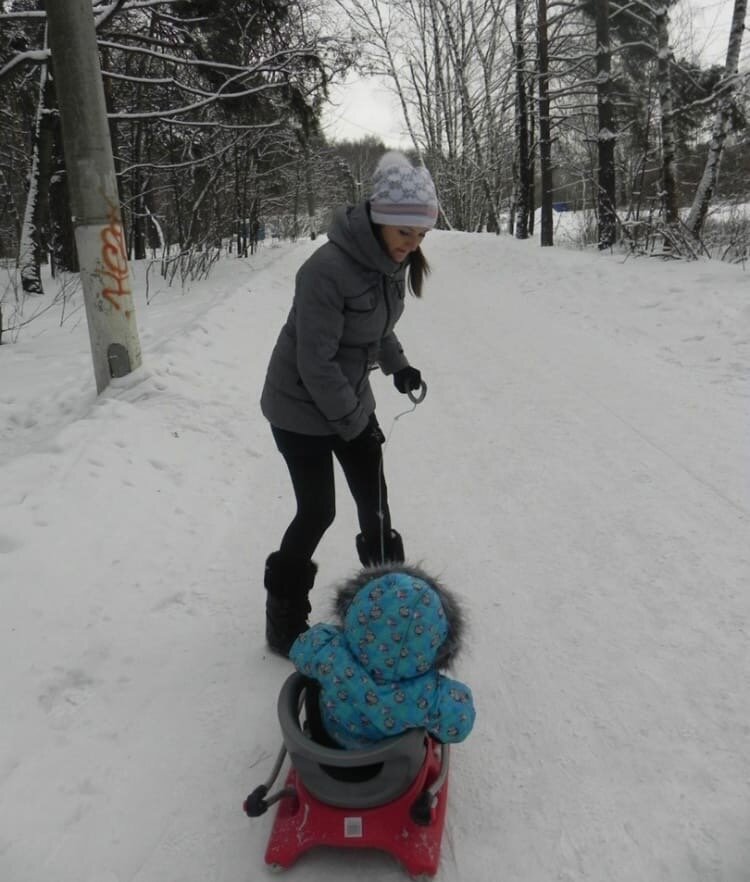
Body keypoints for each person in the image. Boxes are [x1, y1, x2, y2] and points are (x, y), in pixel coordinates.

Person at [260, 151, 439, 656]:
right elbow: (314, 364)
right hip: (298, 407)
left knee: (375, 506)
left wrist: (398, 365)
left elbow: (376, 328)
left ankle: (390, 609)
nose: (413, 245)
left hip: (347, 398)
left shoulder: (387, 263)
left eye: (422, 235)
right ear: (381, 218)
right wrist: (353, 424)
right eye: (406, 233)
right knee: (317, 511)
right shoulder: (325, 269)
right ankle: (284, 619)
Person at [289, 564, 475, 748]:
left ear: (357, 611)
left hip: (325, 745)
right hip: (385, 769)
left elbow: (300, 650)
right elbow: (461, 721)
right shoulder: (429, 694)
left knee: (314, 685)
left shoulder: (327, 649)